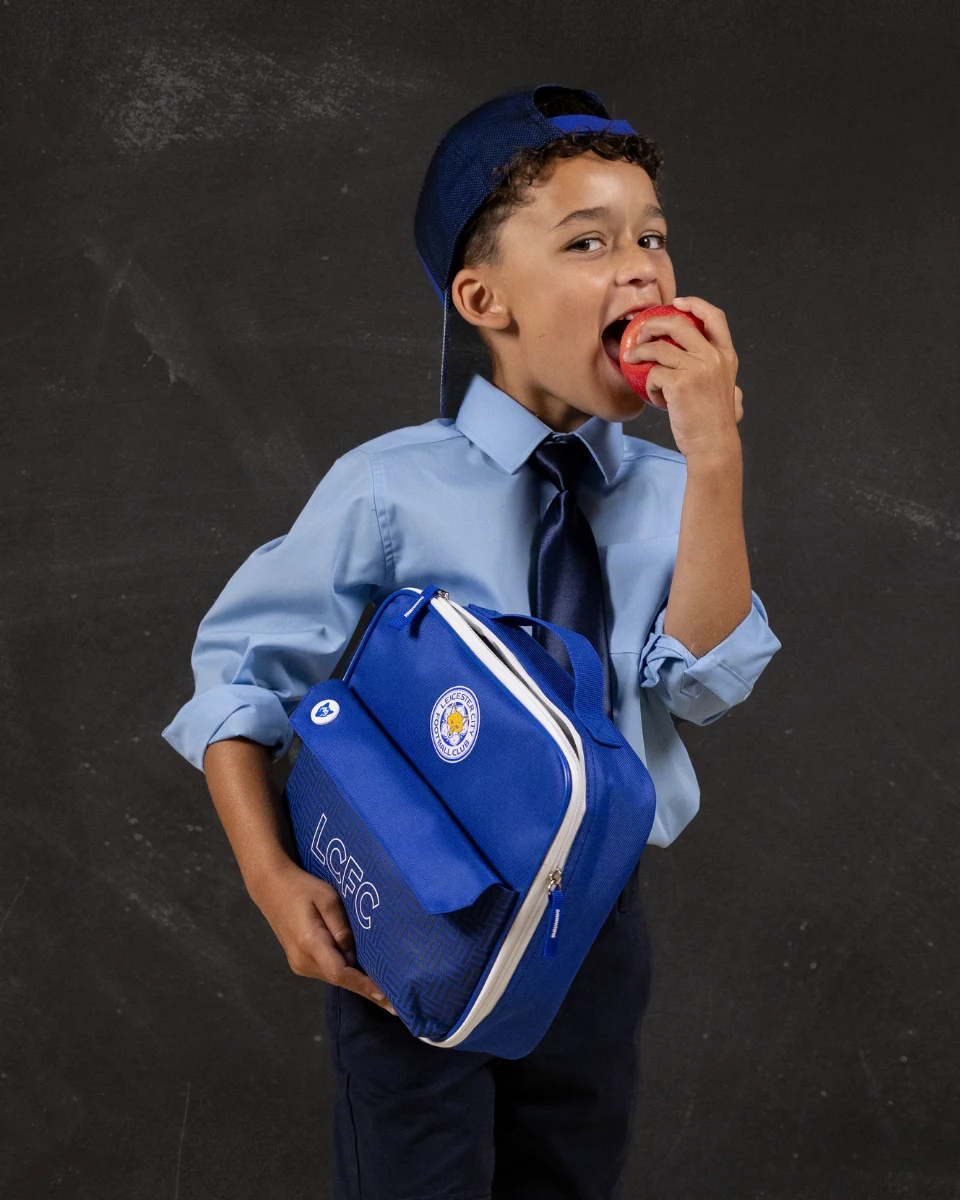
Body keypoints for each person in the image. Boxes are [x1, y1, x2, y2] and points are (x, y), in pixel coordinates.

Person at [162, 82, 782, 1200]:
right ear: (483, 295)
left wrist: (716, 455)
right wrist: (268, 874)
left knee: (568, 1173)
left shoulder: (671, 490)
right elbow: (241, 675)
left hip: (593, 915)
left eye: (653, 237)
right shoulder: (391, 487)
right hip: (413, 903)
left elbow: (705, 684)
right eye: (588, 242)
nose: (639, 268)